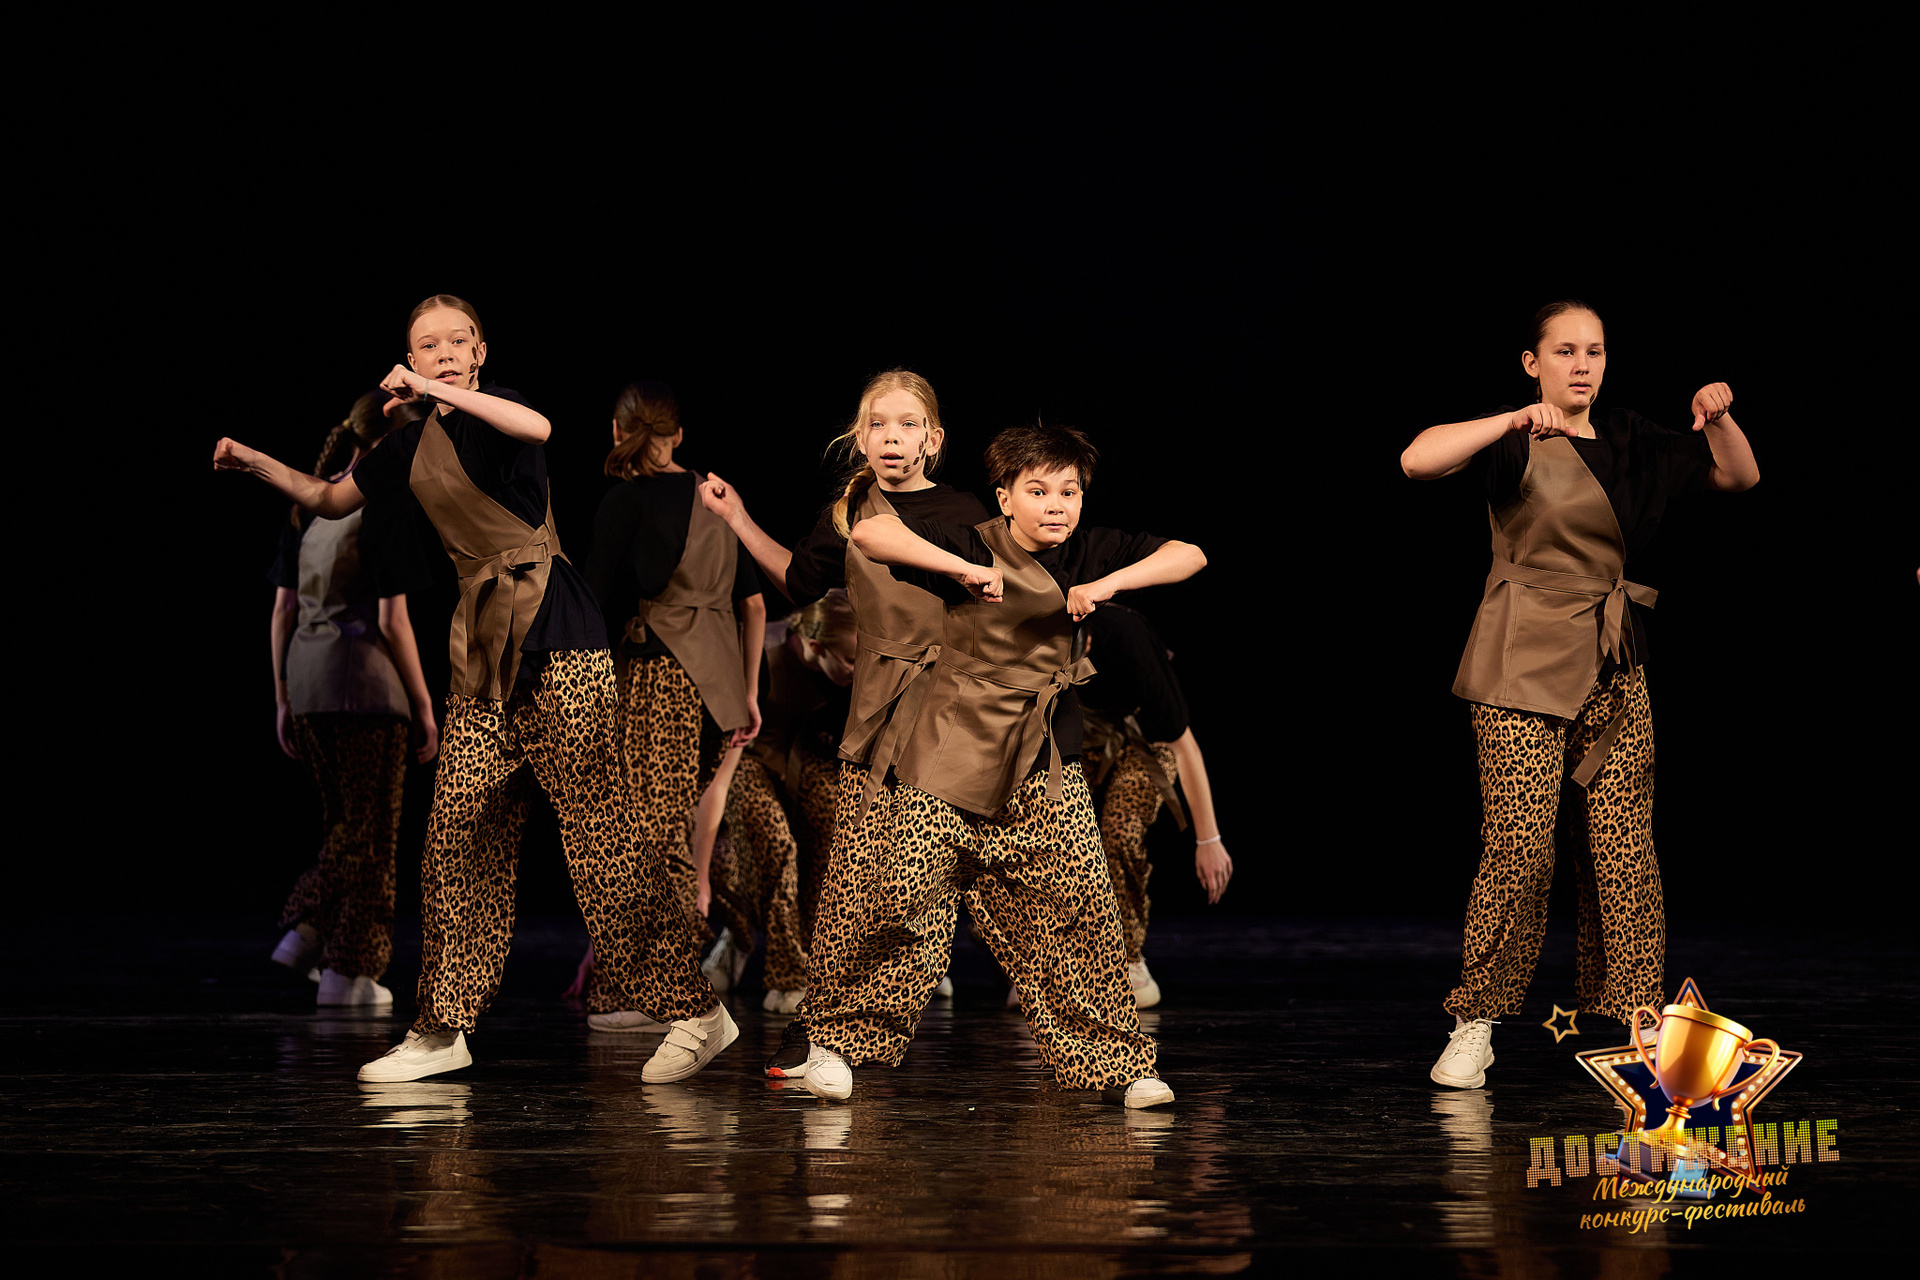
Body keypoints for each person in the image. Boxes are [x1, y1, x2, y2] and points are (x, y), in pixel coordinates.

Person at [214, 295, 735, 1085]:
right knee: (456, 842)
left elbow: (542, 429)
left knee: (602, 842)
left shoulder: (500, 411)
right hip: (484, 652)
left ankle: (694, 1011)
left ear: (480, 353)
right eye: (429, 346)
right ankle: (441, 1029)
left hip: (557, 634)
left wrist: (436, 394)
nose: (447, 353)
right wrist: (253, 461)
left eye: (459, 341)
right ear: (409, 359)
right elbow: (326, 499)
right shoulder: (406, 445)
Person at [1399, 299, 1760, 1089]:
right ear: (1533, 363)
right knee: (1521, 845)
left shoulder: (1632, 436)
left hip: (1613, 658)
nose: (1582, 365)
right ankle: (1476, 1019)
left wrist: (1719, 416)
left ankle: (1639, 1022)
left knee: (1626, 845)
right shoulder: (1516, 437)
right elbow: (1417, 461)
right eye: (1565, 351)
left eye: (1594, 350)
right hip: (1520, 662)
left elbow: (1739, 475)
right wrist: (1509, 419)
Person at [803, 423, 1207, 1108]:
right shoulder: (972, 542)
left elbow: (1189, 554)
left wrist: (1108, 583)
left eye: (1069, 492)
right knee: (902, 895)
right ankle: (838, 1041)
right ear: (1005, 497)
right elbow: (870, 535)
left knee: (1080, 905)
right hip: (948, 748)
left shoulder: (1089, 551)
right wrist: (961, 570)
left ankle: (1118, 1060)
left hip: (1042, 755)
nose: (1056, 505)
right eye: (1039, 491)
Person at [696, 369, 988, 1077]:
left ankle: (855, 1027)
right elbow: (799, 581)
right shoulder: (848, 513)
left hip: (947, 715)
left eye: (908, 424)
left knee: (931, 889)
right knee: (850, 883)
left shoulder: (963, 511)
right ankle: (820, 1030)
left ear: (933, 439)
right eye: (878, 424)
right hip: (876, 717)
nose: (892, 437)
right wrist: (738, 519)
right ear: (860, 437)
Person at [578, 381, 765, 1032]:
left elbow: (591, 601)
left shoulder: (625, 500)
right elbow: (753, 605)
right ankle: (666, 980)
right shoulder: (717, 496)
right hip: (721, 685)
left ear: (617, 430)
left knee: (649, 837)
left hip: (660, 676)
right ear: (678, 435)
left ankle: (667, 992)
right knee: (675, 830)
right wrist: (748, 691)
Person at [266, 393, 439, 1009]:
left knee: (347, 825)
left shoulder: (311, 502)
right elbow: (394, 620)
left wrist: (283, 696)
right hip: (365, 686)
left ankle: (317, 941)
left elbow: (283, 611)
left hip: (309, 684)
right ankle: (338, 959)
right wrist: (425, 707)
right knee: (373, 835)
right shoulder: (383, 500)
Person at [1076, 603, 1232, 1009]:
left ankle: (1128, 957)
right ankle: (1042, 960)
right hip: (1074, 741)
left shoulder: (1127, 639)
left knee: (1120, 834)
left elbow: (1185, 746)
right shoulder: (1029, 635)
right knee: (1051, 839)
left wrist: (1208, 840)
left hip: (1143, 741)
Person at [709, 591, 858, 1014]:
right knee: (774, 847)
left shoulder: (845, 673)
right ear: (816, 646)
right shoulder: (765, 652)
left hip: (804, 756)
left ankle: (812, 961)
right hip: (746, 759)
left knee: (836, 832)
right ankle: (768, 960)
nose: (858, 669)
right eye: (850, 661)